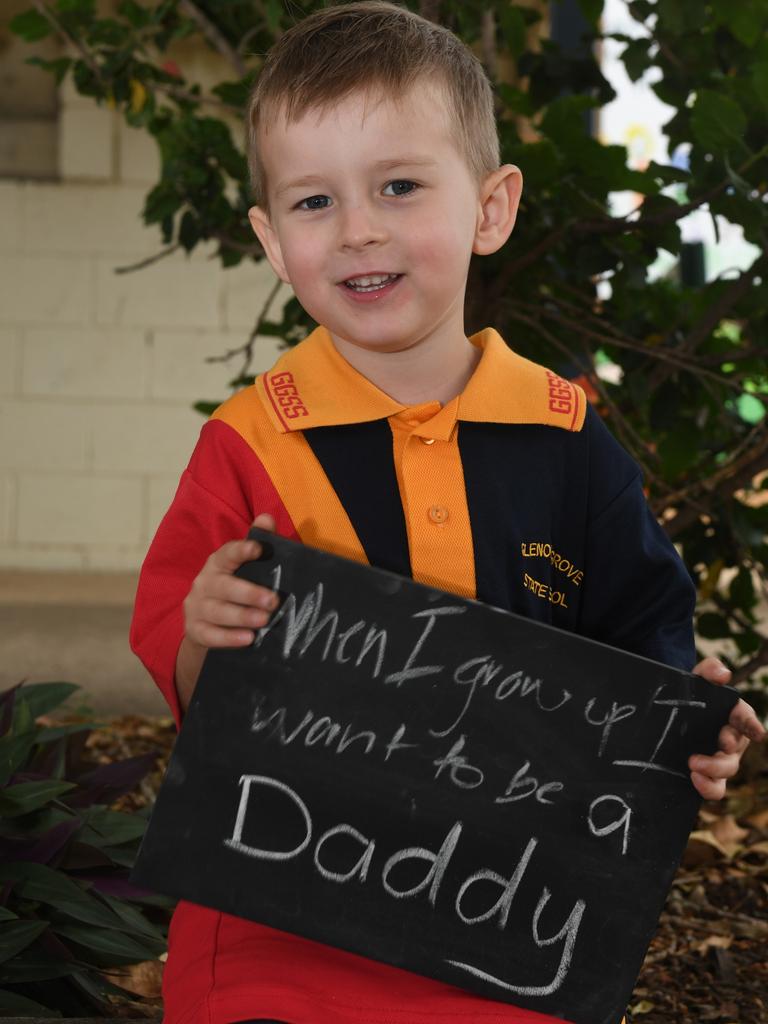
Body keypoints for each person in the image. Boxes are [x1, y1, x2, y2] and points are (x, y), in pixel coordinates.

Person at [130, 3, 765, 1023]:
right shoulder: (250, 440)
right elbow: (187, 675)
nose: (359, 228)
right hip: (273, 946)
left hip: (509, 949)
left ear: (491, 206)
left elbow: (645, 653)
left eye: (399, 185)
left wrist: (693, 724)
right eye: (312, 201)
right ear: (271, 241)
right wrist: (207, 633)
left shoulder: (567, 440)